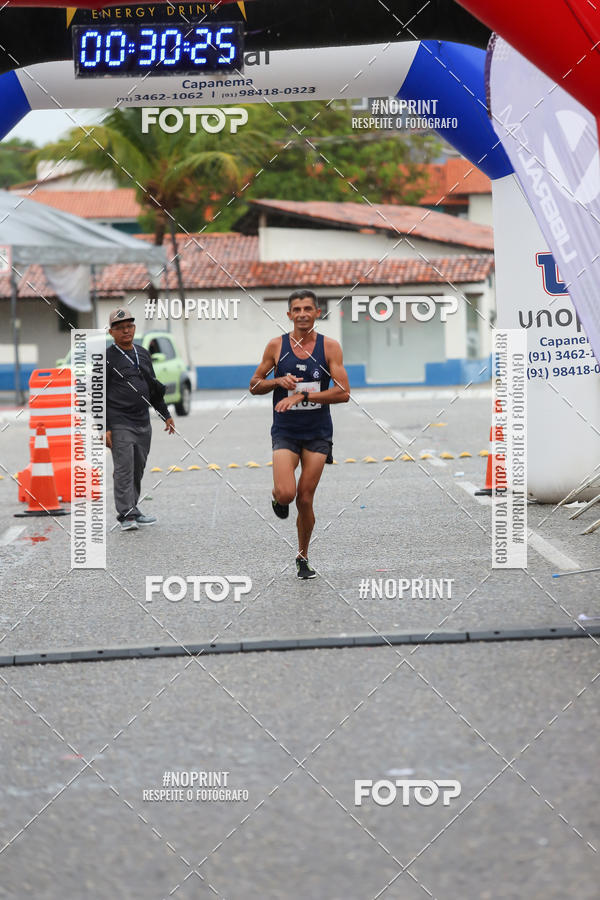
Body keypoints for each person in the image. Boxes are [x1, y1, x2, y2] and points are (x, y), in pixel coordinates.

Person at [249, 289, 350, 578]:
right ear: (289, 314)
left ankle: (302, 556)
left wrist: (303, 396)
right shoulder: (275, 347)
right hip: (286, 430)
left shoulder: (330, 347)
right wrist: (276, 381)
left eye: (308, 308)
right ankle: (277, 499)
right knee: (286, 493)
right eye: (297, 309)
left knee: (305, 499)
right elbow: (254, 385)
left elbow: (343, 393)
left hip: (317, 432)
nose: (303, 313)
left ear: (318, 312)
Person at [105, 307, 175, 532]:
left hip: (142, 421)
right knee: (124, 467)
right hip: (119, 421)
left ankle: (132, 509)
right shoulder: (105, 358)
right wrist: (104, 427)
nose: (126, 331)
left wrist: (165, 414)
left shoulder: (142, 353)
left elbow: (153, 388)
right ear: (111, 332)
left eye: (129, 326)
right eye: (120, 328)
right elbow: (98, 394)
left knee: (137, 468)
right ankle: (125, 515)